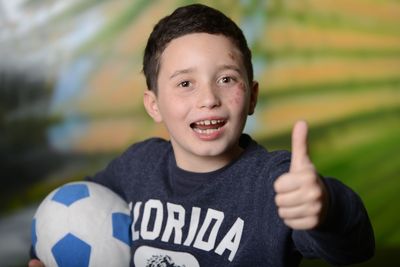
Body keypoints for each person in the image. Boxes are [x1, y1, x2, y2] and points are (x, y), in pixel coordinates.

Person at [29, 3, 374, 267]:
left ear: (252, 96)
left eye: (226, 79)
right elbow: (73, 215)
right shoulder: (136, 167)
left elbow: (355, 247)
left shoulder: (276, 182)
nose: (208, 99)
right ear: (154, 105)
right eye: (185, 83)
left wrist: (327, 208)